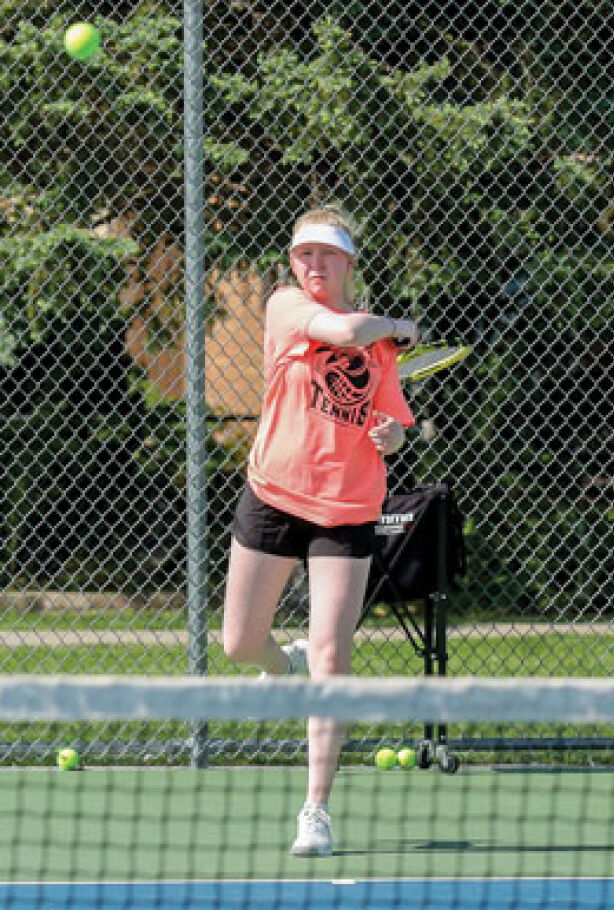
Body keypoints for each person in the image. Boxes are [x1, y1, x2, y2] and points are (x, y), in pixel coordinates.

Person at [222, 205, 419, 855]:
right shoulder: (287, 307)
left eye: (326, 255)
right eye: (303, 254)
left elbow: (388, 421)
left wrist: (389, 435)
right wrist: (394, 323)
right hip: (273, 494)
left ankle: (316, 809)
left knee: (334, 657)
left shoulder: (382, 350)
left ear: (348, 263)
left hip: (348, 506)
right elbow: (343, 328)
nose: (312, 265)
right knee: (237, 645)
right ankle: (282, 664)